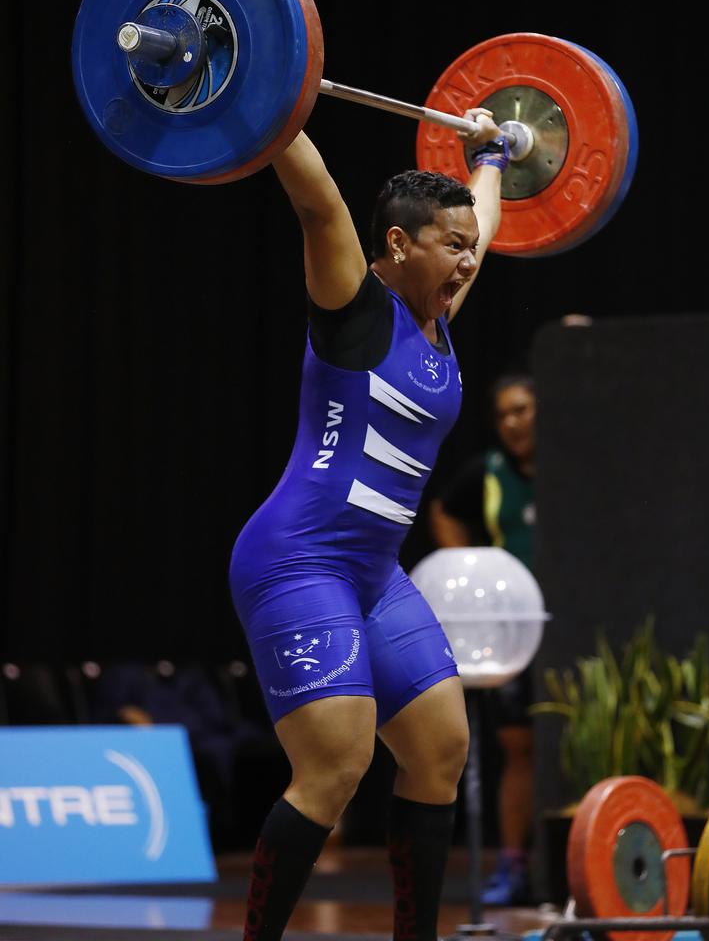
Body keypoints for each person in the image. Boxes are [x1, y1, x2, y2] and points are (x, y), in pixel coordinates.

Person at [228, 109, 508, 941]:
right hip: (297, 562)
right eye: (449, 244)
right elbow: (318, 203)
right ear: (396, 245)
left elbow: (485, 223)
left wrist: (493, 152)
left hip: (374, 573)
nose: (467, 257)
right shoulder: (356, 305)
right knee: (337, 765)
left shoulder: (440, 319)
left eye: (467, 246)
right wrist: (272, 108)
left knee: (439, 749)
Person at [430, 373, 537, 906]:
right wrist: (472, 570)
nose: (513, 423)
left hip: (580, 628)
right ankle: (514, 865)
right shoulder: (490, 474)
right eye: (503, 416)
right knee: (518, 747)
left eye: (522, 410)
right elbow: (444, 512)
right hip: (518, 634)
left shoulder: (577, 460)